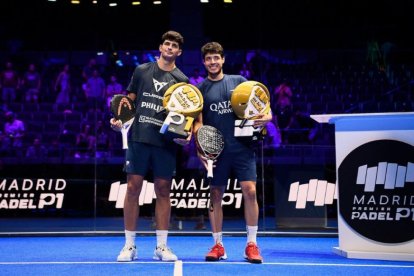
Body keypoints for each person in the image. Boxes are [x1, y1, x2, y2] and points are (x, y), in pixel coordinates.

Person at [110, 30, 190, 262]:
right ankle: (129, 246)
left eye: (174, 46)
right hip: (138, 138)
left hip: (165, 142)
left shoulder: (181, 80)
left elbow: (184, 114)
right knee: (133, 188)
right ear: (161, 47)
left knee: (163, 190)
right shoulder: (142, 70)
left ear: (179, 52)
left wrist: (185, 135)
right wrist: (119, 120)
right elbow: (129, 101)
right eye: (166, 44)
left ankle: (161, 247)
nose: (169, 48)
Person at [193, 42, 271, 264]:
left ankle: (252, 245)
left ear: (223, 59)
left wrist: (267, 117)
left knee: (250, 191)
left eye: (216, 58)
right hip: (216, 152)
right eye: (208, 59)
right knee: (215, 194)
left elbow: (262, 106)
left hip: (242, 148)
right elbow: (197, 124)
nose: (213, 62)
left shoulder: (239, 82)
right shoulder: (200, 89)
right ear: (204, 62)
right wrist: (201, 148)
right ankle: (218, 245)